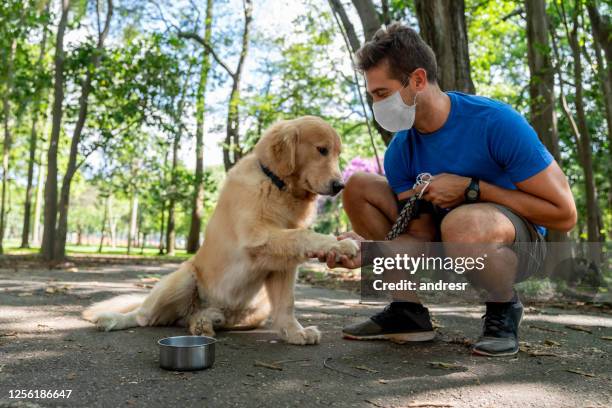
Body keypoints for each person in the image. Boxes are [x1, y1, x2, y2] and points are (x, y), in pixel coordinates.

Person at [316, 23, 576, 356]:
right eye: (372, 96)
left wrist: (474, 189)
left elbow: (564, 215)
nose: (375, 105)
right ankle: (407, 311)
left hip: (515, 244)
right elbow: (422, 239)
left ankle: (503, 308)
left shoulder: (495, 122)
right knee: (358, 187)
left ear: (418, 80)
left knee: (462, 224)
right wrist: (369, 251)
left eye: (382, 94)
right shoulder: (401, 150)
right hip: (446, 241)